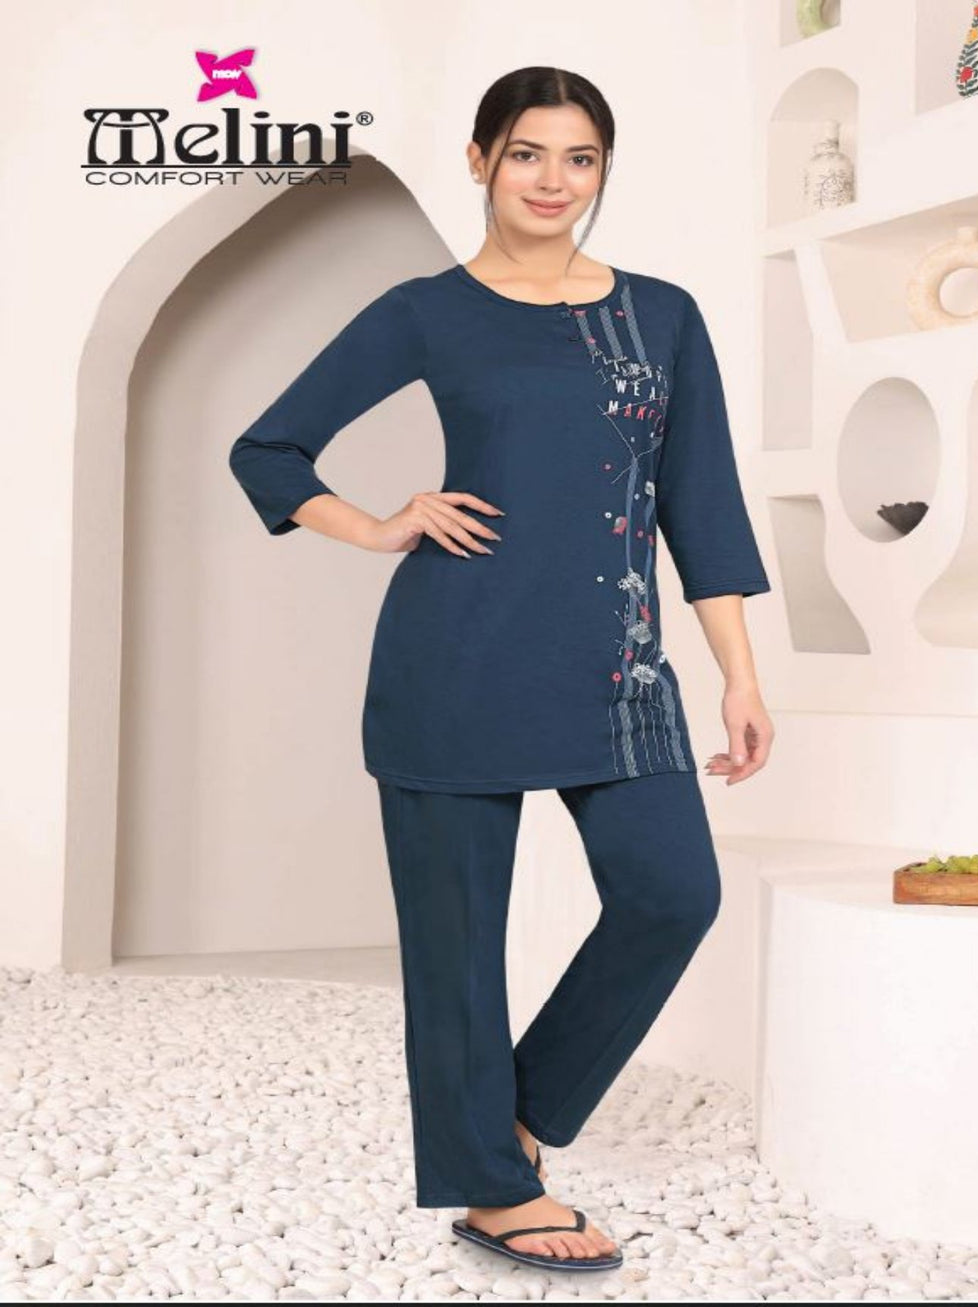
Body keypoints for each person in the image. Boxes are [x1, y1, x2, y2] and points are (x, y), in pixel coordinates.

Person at [228, 65, 775, 1272]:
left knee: (673, 892)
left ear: (603, 171)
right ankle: (491, 1185)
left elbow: (703, 506)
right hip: (456, 657)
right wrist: (379, 525)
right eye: (527, 153)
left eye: (580, 158)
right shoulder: (428, 310)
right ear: (480, 160)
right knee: (457, 946)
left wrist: (738, 674)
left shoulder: (663, 314)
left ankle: (508, 1129)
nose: (553, 180)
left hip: (620, 670)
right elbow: (267, 447)